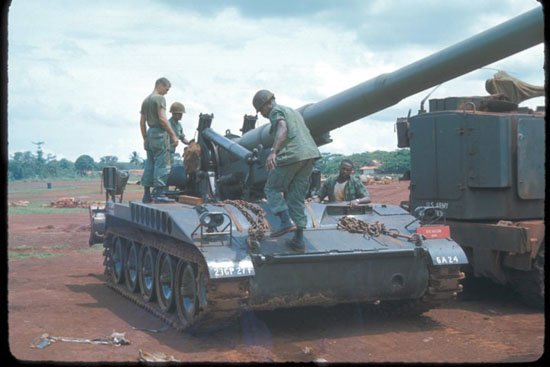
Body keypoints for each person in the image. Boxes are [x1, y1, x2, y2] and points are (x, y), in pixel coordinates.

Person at [252, 89, 321, 251]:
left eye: (261, 110)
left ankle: (285, 222)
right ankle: (299, 239)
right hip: (309, 155)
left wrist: (273, 152)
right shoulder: (293, 111)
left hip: (292, 154)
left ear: (268, 103)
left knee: (272, 188)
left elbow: (282, 128)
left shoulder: (276, 111)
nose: (262, 114)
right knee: (296, 197)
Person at [140, 77, 179, 203]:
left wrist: (145, 137)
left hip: (150, 134)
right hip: (160, 134)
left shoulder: (145, 100)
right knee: (162, 164)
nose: (166, 92)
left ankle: (146, 194)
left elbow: (142, 122)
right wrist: (173, 135)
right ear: (159, 85)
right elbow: (162, 119)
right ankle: (160, 194)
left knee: (150, 164)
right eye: (166, 89)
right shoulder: (160, 99)